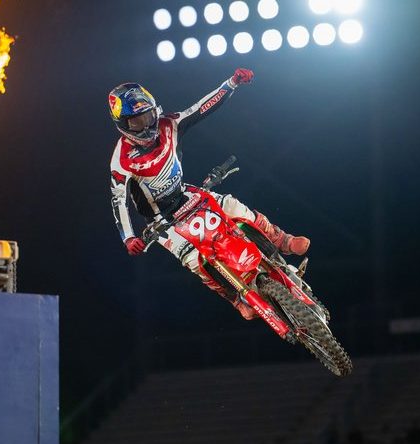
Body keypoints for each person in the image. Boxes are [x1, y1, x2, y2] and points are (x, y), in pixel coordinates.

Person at [108, 68, 310, 320]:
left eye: (148, 116)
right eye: (136, 122)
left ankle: (282, 240)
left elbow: (201, 108)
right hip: (160, 222)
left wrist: (231, 83)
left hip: (185, 194)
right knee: (194, 259)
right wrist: (128, 237)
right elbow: (119, 200)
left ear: (155, 110)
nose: (146, 125)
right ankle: (238, 301)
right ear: (122, 125)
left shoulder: (169, 124)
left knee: (233, 207)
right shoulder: (121, 161)